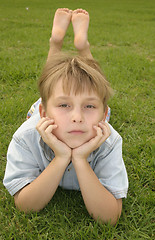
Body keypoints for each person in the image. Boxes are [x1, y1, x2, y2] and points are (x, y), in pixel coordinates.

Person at [3, 8, 128, 225]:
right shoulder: (26, 136)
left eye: (89, 107)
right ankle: (56, 44)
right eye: (64, 106)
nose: (77, 117)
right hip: (45, 111)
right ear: (43, 113)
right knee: (52, 82)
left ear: (104, 115)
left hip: (78, 112)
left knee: (93, 88)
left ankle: (82, 47)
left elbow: (110, 217)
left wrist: (79, 158)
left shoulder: (109, 141)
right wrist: (61, 157)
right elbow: (25, 205)